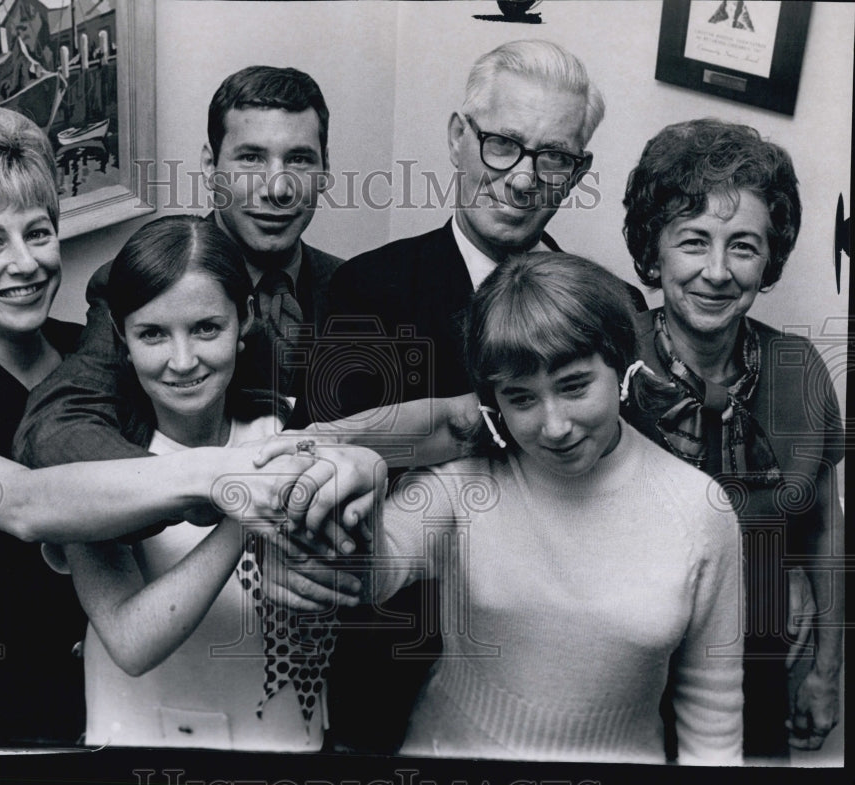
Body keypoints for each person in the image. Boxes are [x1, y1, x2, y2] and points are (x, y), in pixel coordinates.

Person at [0, 103, 375, 745]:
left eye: (38, 232)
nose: (26, 264)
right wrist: (229, 485)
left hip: (123, 708)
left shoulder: (106, 354)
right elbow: (30, 504)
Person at [317, 39, 646, 754]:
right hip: (401, 682)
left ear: (578, 171)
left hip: (577, 683)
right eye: (503, 144)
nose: (524, 178)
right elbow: (344, 479)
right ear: (458, 138)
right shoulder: (364, 292)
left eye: (553, 156)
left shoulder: (616, 305)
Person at [370, 253, 743, 763]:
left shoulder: (700, 510)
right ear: (493, 400)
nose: (555, 426)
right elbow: (367, 569)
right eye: (521, 398)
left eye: (574, 386)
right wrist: (347, 474)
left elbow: (712, 712)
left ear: (620, 368)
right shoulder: (463, 486)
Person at [51, 215, 383, 749]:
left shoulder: (286, 431)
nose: (183, 362)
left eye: (206, 328)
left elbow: (351, 579)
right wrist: (242, 508)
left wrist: (365, 474)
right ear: (121, 336)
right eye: (153, 334)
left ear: (244, 318)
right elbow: (131, 641)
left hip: (283, 737)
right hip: (139, 742)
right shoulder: (94, 463)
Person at [621, 118, 844, 761]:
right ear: (653, 249)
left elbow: (826, 529)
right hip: (628, 671)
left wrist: (826, 671)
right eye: (693, 241)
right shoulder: (606, 357)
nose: (717, 272)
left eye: (743, 246)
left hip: (761, 665)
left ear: (768, 257)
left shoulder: (800, 369)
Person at [13, 65, 343, 474]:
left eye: (298, 160)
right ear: (210, 166)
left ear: (325, 170)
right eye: (251, 158)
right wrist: (203, 488)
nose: (277, 188)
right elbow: (54, 430)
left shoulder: (353, 285)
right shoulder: (142, 280)